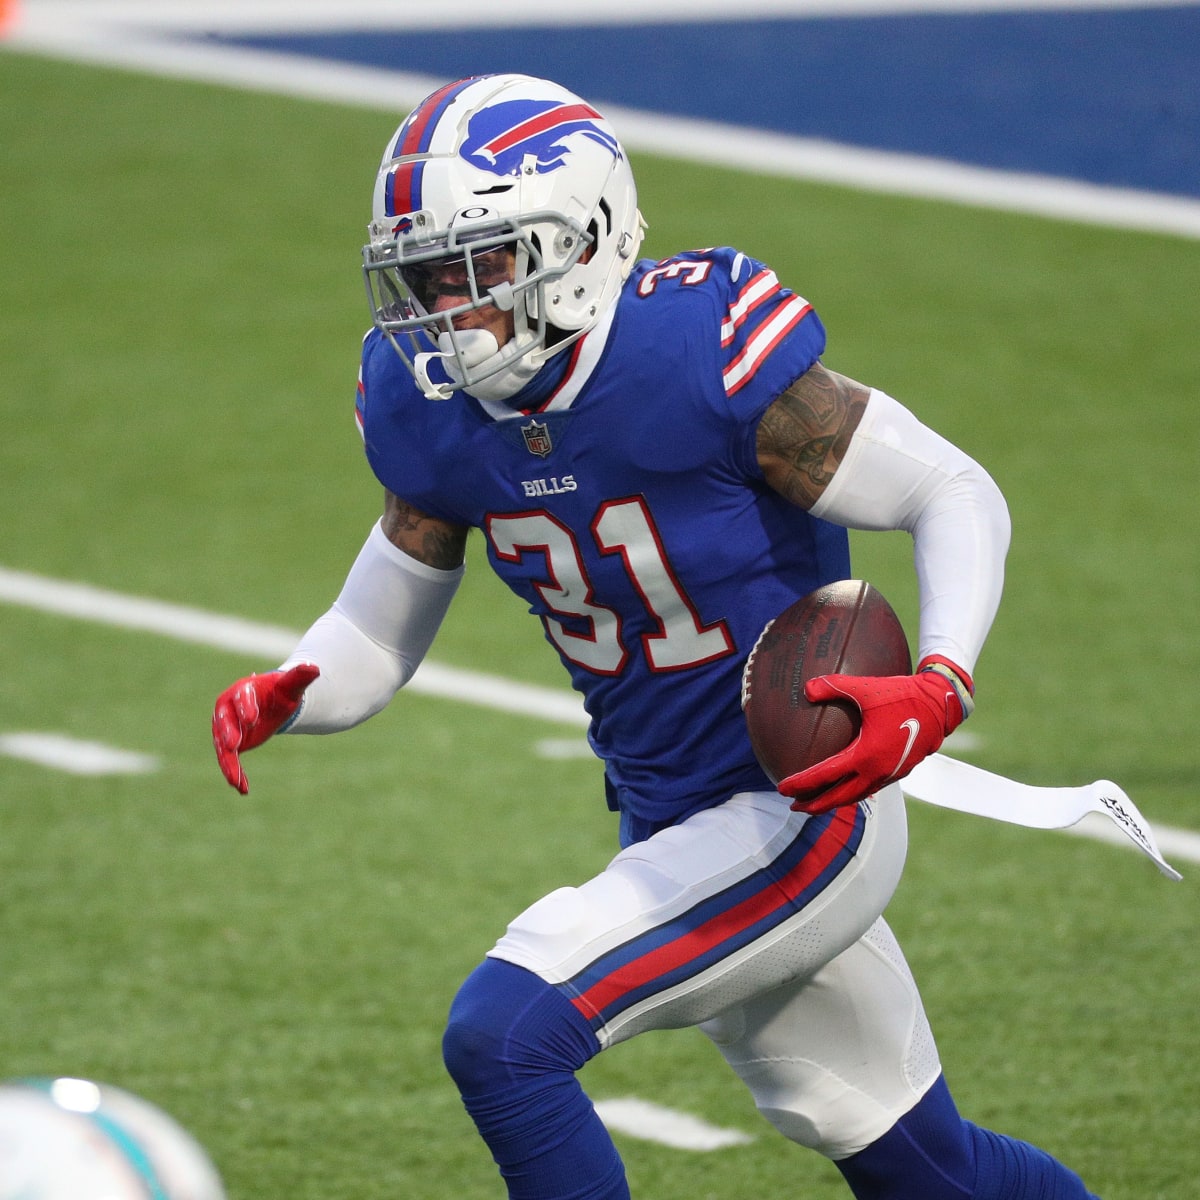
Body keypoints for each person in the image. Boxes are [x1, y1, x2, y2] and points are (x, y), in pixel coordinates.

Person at [212, 74, 1099, 1200]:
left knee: (506, 1034)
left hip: (803, 800)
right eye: (426, 274)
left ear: (580, 240)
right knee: (924, 1167)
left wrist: (942, 680)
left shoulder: (702, 354)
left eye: (479, 265)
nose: (446, 308)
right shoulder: (422, 403)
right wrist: (300, 684)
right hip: (666, 812)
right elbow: (374, 627)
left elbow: (955, 492)